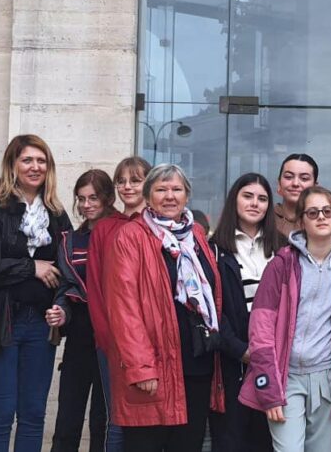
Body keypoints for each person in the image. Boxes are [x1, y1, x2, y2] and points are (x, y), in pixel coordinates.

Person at [104, 163, 224, 451]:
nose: (169, 196)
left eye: (176, 189)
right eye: (161, 189)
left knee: (188, 444)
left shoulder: (196, 235)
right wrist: (141, 367)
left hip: (196, 365)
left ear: (187, 195)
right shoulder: (130, 237)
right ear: (148, 195)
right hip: (154, 369)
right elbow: (124, 309)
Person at [0, 134, 77, 452]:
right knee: (0, 416)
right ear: (12, 164)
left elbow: (69, 273)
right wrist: (31, 267)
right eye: (27, 160)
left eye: (41, 160)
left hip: (40, 325)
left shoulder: (57, 214)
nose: (35, 167)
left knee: (34, 416)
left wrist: (61, 307)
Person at [238, 186, 331, 452]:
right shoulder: (282, 264)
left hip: (326, 377)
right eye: (312, 212)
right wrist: (269, 391)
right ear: (301, 221)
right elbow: (261, 331)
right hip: (286, 376)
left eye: (327, 211)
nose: (321, 217)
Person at [209, 173, 284, 452]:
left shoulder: (283, 248)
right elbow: (212, 308)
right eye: (247, 196)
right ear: (234, 200)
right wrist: (240, 349)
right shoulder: (215, 249)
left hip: (275, 361)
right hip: (234, 361)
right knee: (231, 441)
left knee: (267, 441)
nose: (255, 203)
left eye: (262, 198)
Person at [46, 170, 118, 452]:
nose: (87, 205)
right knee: (67, 418)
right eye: (81, 199)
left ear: (108, 198)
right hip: (79, 332)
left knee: (103, 418)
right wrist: (61, 312)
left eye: (93, 198)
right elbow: (65, 287)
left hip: (111, 334)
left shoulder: (122, 231)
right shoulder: (71, 240)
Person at [85, 156, 149, 452]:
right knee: (119, 419)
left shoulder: (157, 225)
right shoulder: (104, 228)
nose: (127, 187)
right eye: (121, 181)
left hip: (154, 341)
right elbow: (96, 290)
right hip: (114, 342)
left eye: (135, 180)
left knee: (153, 421)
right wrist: (108, 339)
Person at [274, 153, 318, 237]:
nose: (295, 183)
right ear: (279, 184)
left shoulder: (323, 221)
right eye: (288, 177)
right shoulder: (264, 218)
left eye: (304, 178)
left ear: (315, 187)